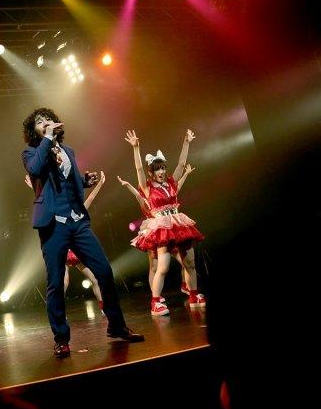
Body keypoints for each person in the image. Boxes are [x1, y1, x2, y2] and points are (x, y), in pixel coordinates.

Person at [21, 107, 144, 358]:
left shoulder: (68, 151)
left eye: (48, 120)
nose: (45, 123)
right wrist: (47, 139)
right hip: (53, 224)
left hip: (77, 222)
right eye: (39, 122)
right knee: (56, 282)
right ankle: (61, 338)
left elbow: (71, 180)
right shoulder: (31, 152)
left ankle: (116, 326)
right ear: (34, 130)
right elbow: (35, 170)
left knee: (104, 271)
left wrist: (85, 181)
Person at [124, 129, 206, 316]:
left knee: (190, 263)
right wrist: (136, 148)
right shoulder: (147, 188)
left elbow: (181, 164)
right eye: (157, 169)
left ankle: (194, 295)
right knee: (162, 267)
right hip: (162, 228)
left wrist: (186, 142)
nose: (161, 172)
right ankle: (155, 302)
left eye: (162, 168)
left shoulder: (171, 182)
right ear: (151, 172)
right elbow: (138, 169)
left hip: (179, 223)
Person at [25, 172, 106, 309]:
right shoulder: (58, 212)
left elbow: (91, 198)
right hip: (65, 250)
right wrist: (34, 186)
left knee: (95, 279)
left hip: (76, 251)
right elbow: (46, 200)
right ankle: (59, 311)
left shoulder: (78, 211)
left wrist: (100, 184)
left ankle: (104, 308)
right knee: (63, 282)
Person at [117, 165, 195, 296]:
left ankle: (185, 285)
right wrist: (128, 185)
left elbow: (176, 187)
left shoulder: (162, 195)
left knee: (185, 263)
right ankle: (156, 296)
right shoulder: (146, 200)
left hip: (168, 232)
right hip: (155, 234)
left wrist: (186, 174)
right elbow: (137, 195)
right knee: (154, 267)